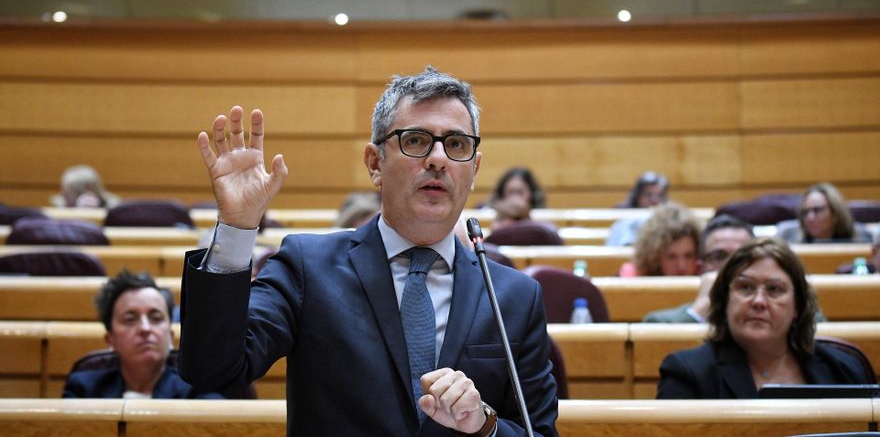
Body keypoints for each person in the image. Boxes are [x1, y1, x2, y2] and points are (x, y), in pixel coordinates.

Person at [178, 67, 559, 437]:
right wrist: (237, 227)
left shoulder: (515, 297)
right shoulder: (308, 267)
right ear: (375, 163)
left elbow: (538, 431)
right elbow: (212, 370)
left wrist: (485, 425)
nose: (438, 158)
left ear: (474, 170)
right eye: (416, 140)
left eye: (456, 144)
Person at [656, 237, 872, 398]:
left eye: (774, 289)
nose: (759, 301)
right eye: (745, 287)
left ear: (797, 306)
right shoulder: (687, 373)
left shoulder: (843, 368)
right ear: (725, 300)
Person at [63, 270, 221, 399]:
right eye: (130, 319)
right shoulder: (83, 390)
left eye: (156, 318)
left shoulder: (198, 391)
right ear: (110, 340)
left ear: (170, 335)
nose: (145, 328)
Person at [643, 214, 754, 323]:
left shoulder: (763, 310)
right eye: (718, 257)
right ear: (700, 266)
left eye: (740, 257)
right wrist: (700, 310)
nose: (729, 265)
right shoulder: (663, 322)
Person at [621, 202, 701, 277]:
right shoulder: (633, 280)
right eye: (671, 257)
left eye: (689, 256)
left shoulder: (705, 275)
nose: (681, 266)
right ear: (654, 258)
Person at [777, 182, 872, 244]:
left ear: (835, 213)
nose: (810, 217)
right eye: (805, 212)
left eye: (818, 210)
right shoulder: (789, 238)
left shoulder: (860, 238)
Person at [605, 171, 669, 245]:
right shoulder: (625, 221)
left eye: (660, 195)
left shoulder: (668, 221)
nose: (654, 200)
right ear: (637, 196)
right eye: (648, 195)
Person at [50, 165, 120, 208]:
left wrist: (85, 213)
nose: (62, 194)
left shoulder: (113, 212)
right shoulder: (61, 207)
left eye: (68, 192)